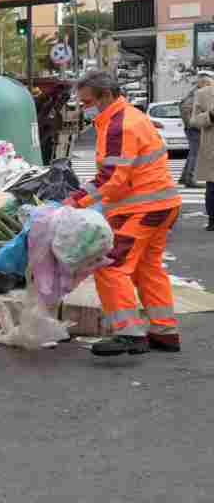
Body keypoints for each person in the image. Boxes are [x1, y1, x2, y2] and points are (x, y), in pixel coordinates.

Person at [65, 71, 181, 356]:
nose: (83, 107)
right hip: (160, 204)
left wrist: (75, 201)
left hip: (142, 207)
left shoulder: (119, 125)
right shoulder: (129, 116)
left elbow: (112, 177)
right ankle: (164, 332)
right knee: (147, 269)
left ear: (105, 96)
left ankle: (129, 333)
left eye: (87, 101)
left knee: (109, 265)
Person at [177, 72, 213, 187]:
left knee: (193, 153)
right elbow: (186, 110)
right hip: (194, 129)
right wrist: (194, 125)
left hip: (192, 128)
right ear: (203, 84)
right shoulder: (197, 95)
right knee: (195, 153)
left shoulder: (193, 94)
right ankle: (189, 178)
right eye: (209, 84)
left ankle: (185, 177)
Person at [191, 76, 214, 232]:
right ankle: (213, 219)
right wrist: (211, 115)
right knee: (212, 188)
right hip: (212, 148)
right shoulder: (203, 94)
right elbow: (194, 121)